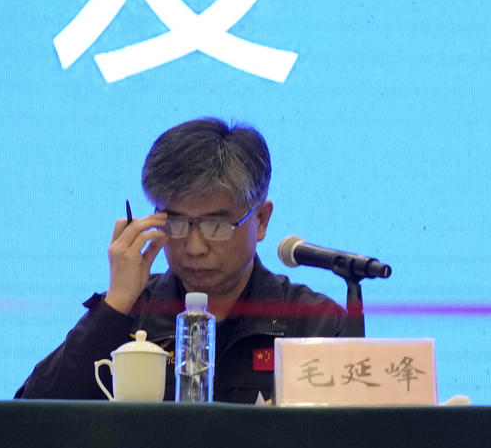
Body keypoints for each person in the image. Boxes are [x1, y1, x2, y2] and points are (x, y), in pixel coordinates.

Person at [17, 118, 346, 403]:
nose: (194, 247)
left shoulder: (314, 323)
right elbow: (28, 422)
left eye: (215, 226)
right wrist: (115, 306)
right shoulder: (131, 314)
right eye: (175, 223)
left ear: (260, 220)